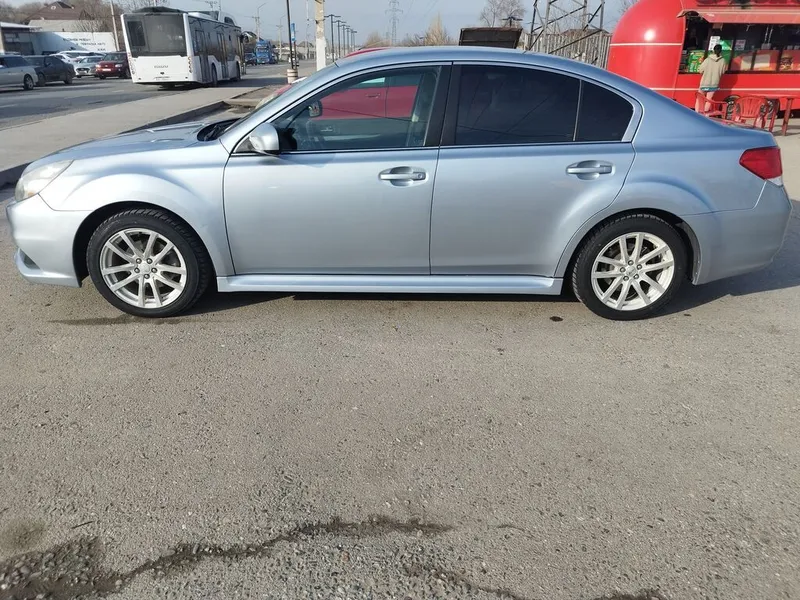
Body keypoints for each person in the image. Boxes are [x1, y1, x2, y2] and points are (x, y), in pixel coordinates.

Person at [696, 44, 727, 113]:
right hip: (714, 84)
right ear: (721, 51)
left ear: (713, 50)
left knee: (699, 99)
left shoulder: (707, 60)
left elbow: (700, 70)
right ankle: (704, 114)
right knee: (709, 100)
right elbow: (723, 71)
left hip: (704, 83)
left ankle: (696, 113)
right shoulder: (723, 61)